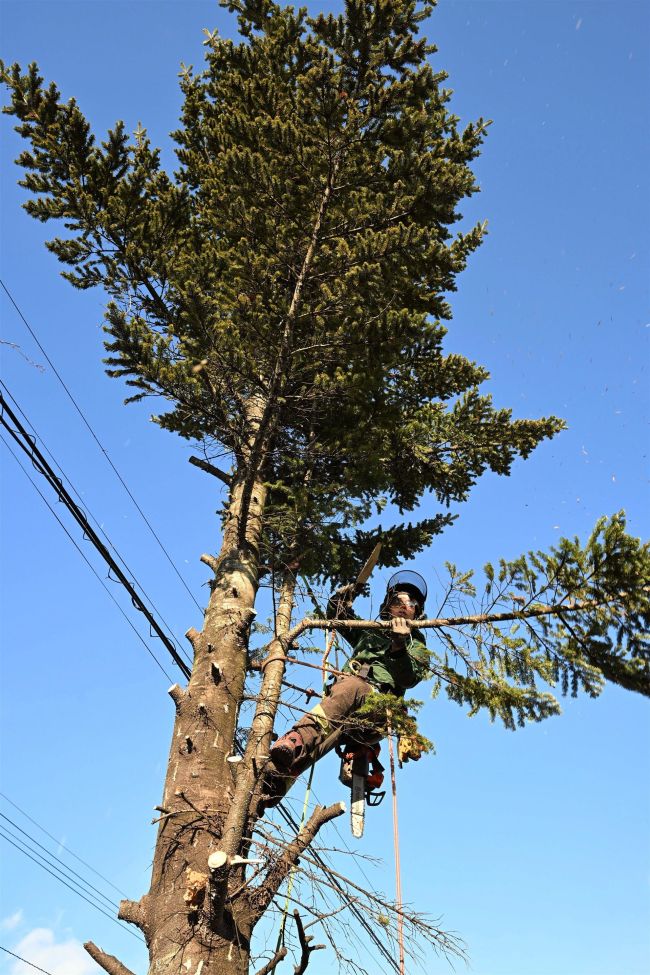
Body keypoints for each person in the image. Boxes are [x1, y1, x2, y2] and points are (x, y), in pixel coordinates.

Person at [266, 570, 430, 787]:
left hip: (377, 710)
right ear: (387, 605)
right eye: (398, 600)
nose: (404, 605)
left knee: (353, 687)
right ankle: (272, 785)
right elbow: (337, 614)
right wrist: (348, 593)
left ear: (416, 612)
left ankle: (296, 740)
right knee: (324, 738)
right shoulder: (370, 632)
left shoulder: (416, 643)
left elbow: (409, 678)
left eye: (411, 603)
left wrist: (399, 646)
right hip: (345, 706)